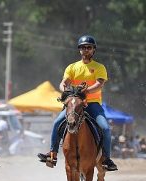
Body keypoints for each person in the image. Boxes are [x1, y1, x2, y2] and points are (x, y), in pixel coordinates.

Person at [37, 35, 118, 171]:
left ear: (93, 50)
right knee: (57, 122)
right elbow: (64, 83)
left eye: (89, 47)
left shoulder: (99, 67)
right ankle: (52, 154)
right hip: (74, 104)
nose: (85, 50)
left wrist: (85, 92)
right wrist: (64, 90)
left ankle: (106, 159)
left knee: (105, 128)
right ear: (79, 50)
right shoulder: (72, 67)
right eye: (83, 47)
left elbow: (99, 84)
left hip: (92, 104)